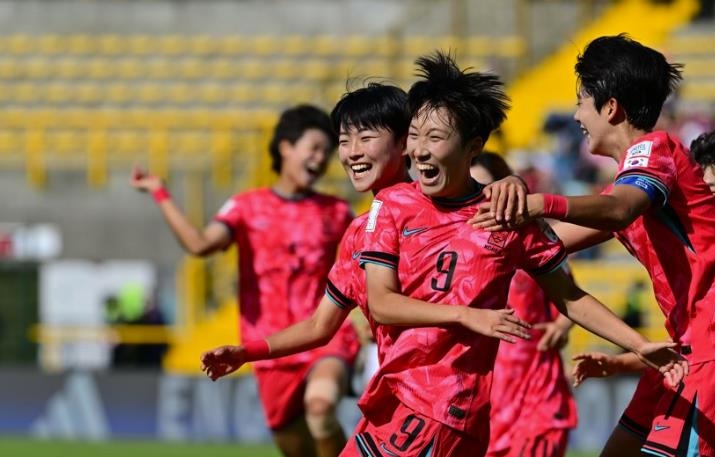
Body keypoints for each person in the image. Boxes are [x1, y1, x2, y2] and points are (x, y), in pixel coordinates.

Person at [346, 51, 685, 457]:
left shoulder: (508, 218)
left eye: (435, 138)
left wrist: (636, 344)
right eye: (415, 135)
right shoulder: (393, 203)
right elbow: (381, 303)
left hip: (440, 406)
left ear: (473, 147)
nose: (419, 150)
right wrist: (466, 315)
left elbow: (570, 297)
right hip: (393, 398)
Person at [472, 35, 715, 457]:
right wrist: (476, 230)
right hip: (690, 350)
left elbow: (617, 211)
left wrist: (537, 200)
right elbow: (549, 242)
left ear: (610, 107)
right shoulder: (633, 179)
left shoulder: (656, 151)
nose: (576, 115)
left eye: (581, 102)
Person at [198, 84, 531, 454]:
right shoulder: (361, 231)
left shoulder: (446, 205)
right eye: (344, 141)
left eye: (366, 138)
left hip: (440, 404)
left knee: (321, 409)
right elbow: (319, 326)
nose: (352, 152)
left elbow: (489, 192)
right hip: (398, 399)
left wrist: (512, 185)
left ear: (406, 142)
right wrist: (247, 353)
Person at [131, 104, 359, 457]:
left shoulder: (338, 211)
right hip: (269, 346)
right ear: (286, 146)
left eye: (326, 153)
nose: (320, 159)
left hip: (321, 335)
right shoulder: (245, 207)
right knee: (298, 448)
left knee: (321, 407)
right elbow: (199, 245)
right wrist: (160, 193)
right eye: (313, 148)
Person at [571, 129, 715, 448]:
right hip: (679, 371)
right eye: (698, 193)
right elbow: (693, 341)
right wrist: (622, 362)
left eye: (713, 193)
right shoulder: (688, 246)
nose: (704, 202)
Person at [471, 152, 577, 457]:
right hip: (484, 383)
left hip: (533, 378)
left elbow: (570, 292)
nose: (482, 198)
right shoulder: (458, 245)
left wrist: (561, 325)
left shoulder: (531, 237)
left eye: (488, 188)